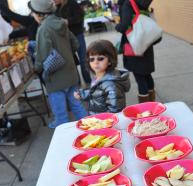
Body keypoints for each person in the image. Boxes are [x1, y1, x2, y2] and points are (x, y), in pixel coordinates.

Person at [29, 0, 87, 128]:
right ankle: (90, 129)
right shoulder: (62, 22)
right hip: (71, 73)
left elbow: (42, 55)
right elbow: (75, 44)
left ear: (39, 14)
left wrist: (36, 68)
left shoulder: (43, 29)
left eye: (33, 13)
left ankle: (64, 139)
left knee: (60, 114)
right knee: (77, 105)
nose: (32, 15)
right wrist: (64, 51)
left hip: (55, 78)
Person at [115, 0, 156, 102]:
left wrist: (117, 26)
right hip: (145, 41)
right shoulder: (140, 2)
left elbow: (125, 25)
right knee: (146, 73)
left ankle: (145, 106)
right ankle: (152, 101)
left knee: (140, 77)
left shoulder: (127, 3)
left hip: (134, 44)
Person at [74, 40, 130, 114]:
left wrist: (101, 122)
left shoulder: (111, 85)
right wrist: (82, 94)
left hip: (105, 122)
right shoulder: (98, 76)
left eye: (100, 58)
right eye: (92, 59)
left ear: (110, 60)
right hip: (98, 118)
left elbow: (115, 111)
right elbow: (97, 93)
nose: (95, 62)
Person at [54, 0, 91, 85]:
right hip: (65, 38)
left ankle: (88, 81)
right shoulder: (55, 8)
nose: (53, 1)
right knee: (71, 62)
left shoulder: (72, 3)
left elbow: (80, 17)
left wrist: (68, 21)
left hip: (77, 35)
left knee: (83, 60)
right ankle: (77, 83)